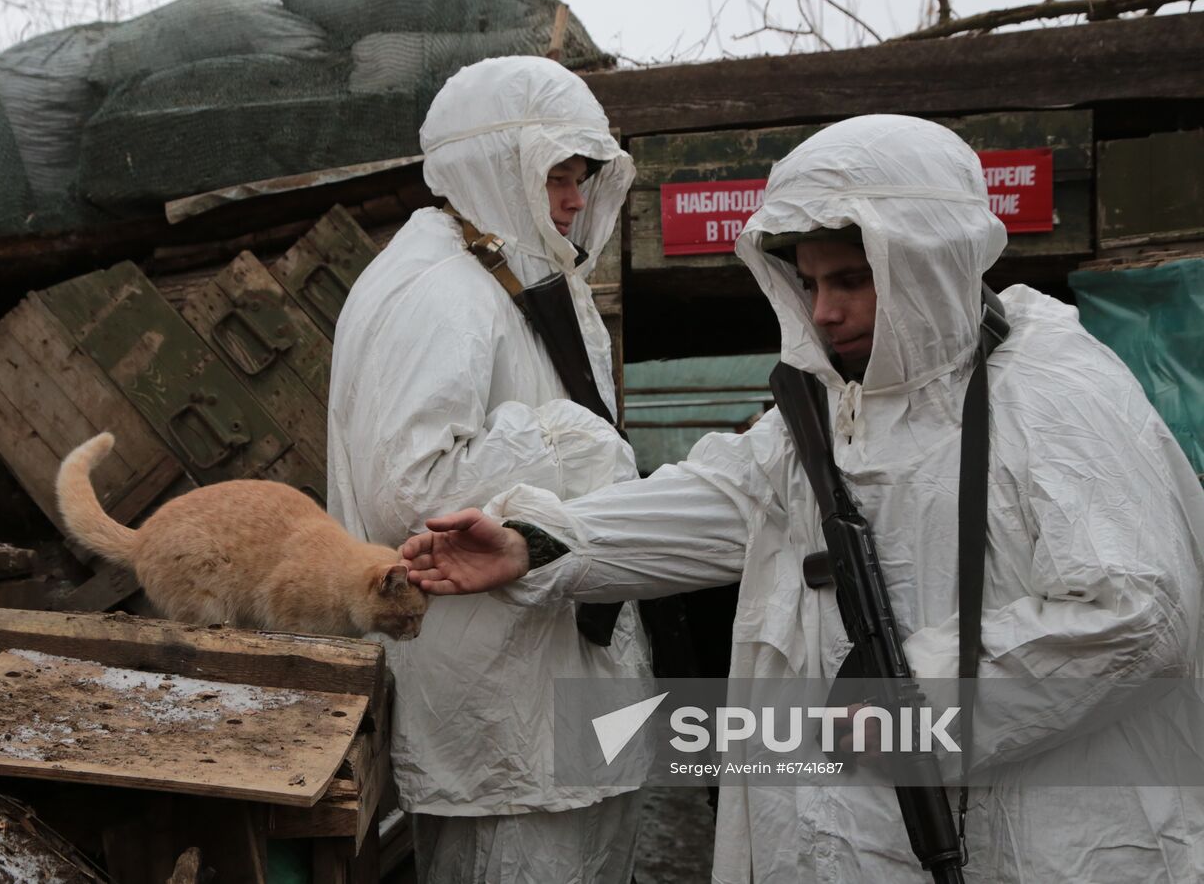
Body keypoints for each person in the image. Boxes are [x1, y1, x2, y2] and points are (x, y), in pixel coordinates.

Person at [401, 114, 1204, 883]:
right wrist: (535, 540)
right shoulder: (828, 408)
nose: (823, 310)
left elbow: (1140, 608)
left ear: (926, 259)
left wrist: (915, 693)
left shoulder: (1051, 389)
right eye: (812, 280)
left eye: (853, 279)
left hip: (1044, 844)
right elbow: (717, 498)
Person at [326, 56, 650, 883]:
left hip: (554, 687)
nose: (577, 199)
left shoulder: (506, 274)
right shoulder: (439, 289)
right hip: (504, 705)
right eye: (557, 174)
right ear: (494, 164)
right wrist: (566, 436)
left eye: (584, 176)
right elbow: (410, 490)